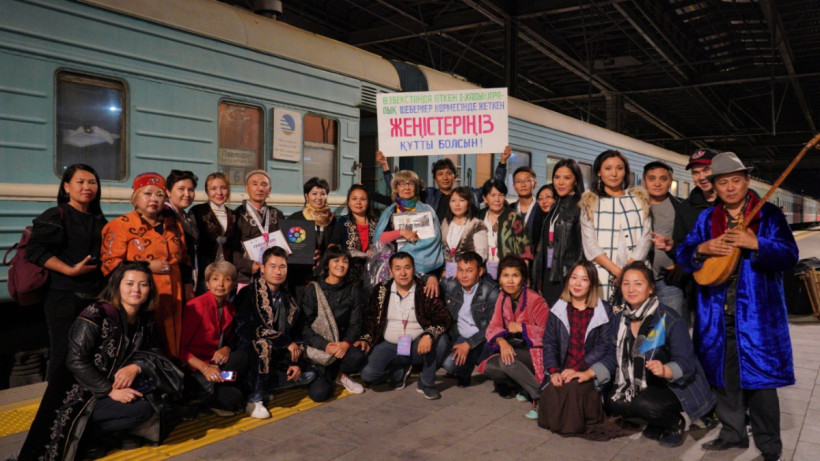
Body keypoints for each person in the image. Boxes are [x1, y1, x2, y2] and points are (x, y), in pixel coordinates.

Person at [677, 152, 797, 461]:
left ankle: (769, 443)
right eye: (723, 182)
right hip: (715, 313)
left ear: (746, 181)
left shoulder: (768, 214)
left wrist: (757, 243)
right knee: (724, 377)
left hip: (759, 315)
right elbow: (684, 253)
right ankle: (733, 433)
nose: (730, 188)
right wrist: (702, 248)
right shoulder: (708, 218)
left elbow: (789, 255)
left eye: (735, 180)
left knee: (762, 381)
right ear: (715, 186)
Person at [18, 262, 162, 461]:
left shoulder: (145, 319)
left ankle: (97, 436)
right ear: (117, 286)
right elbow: (75, 361)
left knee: (154, 402)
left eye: (143, 284)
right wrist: (110, 391)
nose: (136, 290)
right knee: (141, 408)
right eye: (129, 283)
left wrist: (135, 367)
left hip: (112, 385)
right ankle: (88, 438)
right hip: (80, 392)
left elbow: (154, 351)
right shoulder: (96, 313)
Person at [579, 262, 715, 447]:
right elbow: (612, 356)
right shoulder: (620, 319)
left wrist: (665, 369)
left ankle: (674, 423)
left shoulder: (669, 318)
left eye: (638, 284)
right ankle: (656, 422)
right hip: (643, 382)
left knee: (644, 404)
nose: (631, 289)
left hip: (675, 385)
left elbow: (686, 363)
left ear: (651, 288)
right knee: (613, 400)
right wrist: (589, 373)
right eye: (626, 283)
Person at [26, 164, 107, 379]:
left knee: (89, 353)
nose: (87, 187)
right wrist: (69, 270)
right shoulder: (56, 215)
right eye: (80, 182)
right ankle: (55, 397)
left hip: (94, 296)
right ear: (67, 187)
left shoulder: (98, 218)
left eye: (92, 182)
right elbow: (35, 251)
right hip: (64, 297)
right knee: (63, 353)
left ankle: (82, 397)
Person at [101, 172, 189, 359]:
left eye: (159, 195)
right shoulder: (120, 225)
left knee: (173, 344)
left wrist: (188, 287)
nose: (154, 199)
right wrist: (147, 266)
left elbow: (184, 258)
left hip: (174, 296)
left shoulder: (174, 225)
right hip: (140, 297)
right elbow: (110, 264)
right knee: (145, 346)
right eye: (147, 193)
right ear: (135, 197)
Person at [234, 246, 315, 419]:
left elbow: (296, 334)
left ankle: (265, 386)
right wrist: (283, 341)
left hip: (278, 356)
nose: (278, 271)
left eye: (282, 267)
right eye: (272, 266)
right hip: (251, 352)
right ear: (262, 268)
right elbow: (245, 328)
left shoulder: (289, 299)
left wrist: (295, 362)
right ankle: (254, 399)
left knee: (309, 374)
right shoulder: (248, 293)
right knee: (262, 344)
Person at [359, 252, 451, 400]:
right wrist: (366, 338)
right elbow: (370, 318)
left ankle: (426, 383)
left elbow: (443, 318)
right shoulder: (381, 289)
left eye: (407, 267)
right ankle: (399, 373)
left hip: (417, 345)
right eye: (398, 268)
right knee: (368, 374)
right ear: (391, 271)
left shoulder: (425, 289)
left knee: (442, 341)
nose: (403, 273)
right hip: (391, 345)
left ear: (413, 269)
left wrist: (429, 335)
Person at [538, 261, 612, 435]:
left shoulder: (603, 310)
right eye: (574, 278)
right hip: (563, 369)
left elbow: (604, 346)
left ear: (592, 284)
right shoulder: (558, 308)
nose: (577, 283)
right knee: (552, 392)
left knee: (572, 389)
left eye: (584, 279)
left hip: (588, 369)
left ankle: (572, 423)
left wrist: (579, 368)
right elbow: (549, 342)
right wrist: (554, 371)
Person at [478, 255, 549, 419]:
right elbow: (493, 326)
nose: (510, 281)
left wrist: (522, 327)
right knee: (491, 367)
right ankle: (524, 386)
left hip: (537, 353)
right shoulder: (502, 297)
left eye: (515, 275)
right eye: (505, 275)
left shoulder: (536, 300)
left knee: (506, 361)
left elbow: (548, 333)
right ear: (500, 279)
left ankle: (541, 398)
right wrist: (501, 341)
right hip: (515, 349)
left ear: (523, 278)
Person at [580, 150, 652, 301]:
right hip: (602, 273)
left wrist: (629, 270)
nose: (614, 174)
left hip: (638, 272)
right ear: (598, 172)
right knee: (605, 312)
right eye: (608, 168)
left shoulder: (639, 200)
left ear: (625, 172)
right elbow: (590, 245)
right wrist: (618, 272)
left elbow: (646, 237)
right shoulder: (590, 203)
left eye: (619, 168)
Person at [179, 261, 247, 416]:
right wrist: (205, 368)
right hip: (195, 367)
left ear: (233, 284)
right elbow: (181, 349)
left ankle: (212, 392)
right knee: (234, 398)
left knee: (242, 357)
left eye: (227, 279)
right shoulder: (195, 306)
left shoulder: (230, 308)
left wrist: (226, 348)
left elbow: (231, 339)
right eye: (215, 279)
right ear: (208, 283)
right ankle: (203, 395)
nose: (221, 284)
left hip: (215, 364)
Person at [300, 246, 367, 401]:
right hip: (320, 347)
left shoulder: (353, 290)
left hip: (341, 347)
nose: (341, 265)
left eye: (345, 261)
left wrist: (345, 343)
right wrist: (325, 345)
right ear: (327, 264)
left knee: (357, 356)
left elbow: (355, 323)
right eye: (336, 260)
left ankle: (340, 374)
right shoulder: (313, 289)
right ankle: (332, 374)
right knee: (319, 394)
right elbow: (304, 327)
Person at [376, 146, 509, 219]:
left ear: (454, 176)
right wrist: (385, 166)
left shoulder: (469, 193)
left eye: (449, 173)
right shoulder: (428, 195)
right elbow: (400, 191)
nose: (445, 177)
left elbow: (494, 188)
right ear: (435, 178)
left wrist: (502, 162)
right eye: (440, 174)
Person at [374, 169, 444, 295]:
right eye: (401, 184)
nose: (406, 187)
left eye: (410, 183)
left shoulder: (427, 210)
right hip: (392, 270)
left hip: (423, 271)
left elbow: (434, 241)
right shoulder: (389, 211)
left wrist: (404, 254)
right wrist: (401, 232)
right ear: (396, 188)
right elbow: (379, 239)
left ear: (416, 187)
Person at [439, 251, 499, 387]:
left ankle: (500, 380)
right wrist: (432, 278)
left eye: (469, 271)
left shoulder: (490, 290)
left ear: (480, 271)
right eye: (460, 270)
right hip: (461, 336)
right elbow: (429, 287)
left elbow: (492, 325)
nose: (464, 275)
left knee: (494, 364)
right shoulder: (451, 284)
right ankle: (465, 371)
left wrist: (469, 344)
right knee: (449, 363)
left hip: (483, 338)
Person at [534, 159, 585, 305]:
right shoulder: (557, 204)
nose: (560, 182)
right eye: (557, 177)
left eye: (567, 178)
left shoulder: (580, 205)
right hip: (549, 274)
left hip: (566, 276)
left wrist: (575, 277)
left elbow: (582, 248)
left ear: (576, 181)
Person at [642, 161, 687, 319]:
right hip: (640, 279)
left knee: (671, 325)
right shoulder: (634, 206)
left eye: (663, 178)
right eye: (652, 178)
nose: (657, 183)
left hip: (669, 281)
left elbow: (689, 240)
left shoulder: (681, 207)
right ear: (644, 181)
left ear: (670, 181)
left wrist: (682, 264)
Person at [230, 169, 286, 286]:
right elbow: (232, 249)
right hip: (247, 275)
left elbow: (285, 244)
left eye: (264, 184)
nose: (260, 188)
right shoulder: (237, 215)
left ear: (269, 190)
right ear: (246, 188)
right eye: (255, 184)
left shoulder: (277, 214)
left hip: (274, 274)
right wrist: (248, 265)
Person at [289, 177, 337, 297]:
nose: (319, 197)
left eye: (323, 194)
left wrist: (323, 256)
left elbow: (335, 242)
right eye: (314, 194)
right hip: (299, 275)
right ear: (307, 196)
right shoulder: (295, 219)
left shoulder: (332, 220)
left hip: (324, 273)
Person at [190, 172, 235, 295]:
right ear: (207, 191)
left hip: (226, 273)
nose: (219, 193)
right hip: (204, 274)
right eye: (213, 188)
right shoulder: (198, 212)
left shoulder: (233, 215)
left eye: (223, 188)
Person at [478, 178, 533, 278]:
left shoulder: (513, 216)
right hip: (482, 271)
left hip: (508, 272)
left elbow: (524, 245)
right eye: (493, 195)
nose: (497, 199)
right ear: (485, 198)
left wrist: (524, 274)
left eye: (501, 195)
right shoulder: (479, 216)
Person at [328, 184, 377, 293]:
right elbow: (332, 245)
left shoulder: (376, 223)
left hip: (373, 274)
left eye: (363, 199)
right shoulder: (342, 222)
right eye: (354, 199)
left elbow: (385, 245)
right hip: (348, 274)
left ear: (368, 202)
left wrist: (376, 251)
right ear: (349, 202)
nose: (358, 202)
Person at [164, 170, 198, 300]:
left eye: (191, 190)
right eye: (181, 189)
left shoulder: (184, 216)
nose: (187, 194)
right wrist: (187, 282)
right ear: (168, 191)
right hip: (173, 280)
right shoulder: (166, 215)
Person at [440, 186, 489, 276]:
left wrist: (461, 271)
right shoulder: (445, 223)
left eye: (461, 200)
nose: (457, 204)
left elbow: (481, 254)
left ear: (468, 203)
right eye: (453, 201)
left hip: (468, 272)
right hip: (448, 272)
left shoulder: (477, 224)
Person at [509, 166, 543, 244]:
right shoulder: (509, 209)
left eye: (527, 181)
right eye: (518, 181)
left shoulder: (541, 208)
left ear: (535, 184)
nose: (523, 185)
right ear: (514, 186)